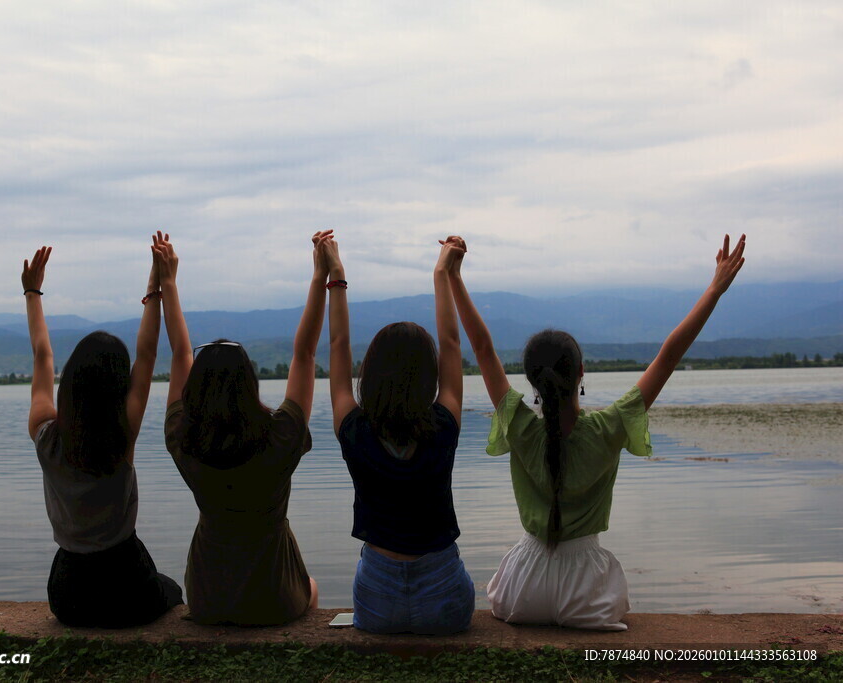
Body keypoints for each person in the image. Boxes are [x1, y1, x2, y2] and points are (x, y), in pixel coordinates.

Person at [445, 233, 747, 630]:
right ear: (582, 373)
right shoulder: (610, 427)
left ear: (532, 380)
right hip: (586, 594)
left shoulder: (520, 426)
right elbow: (669, 356)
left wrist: (453, 275)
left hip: (524, 591)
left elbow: (482, 349)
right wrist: (715, 289)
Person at [158, 231, 331, 626]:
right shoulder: (280, 438)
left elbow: (181, 353)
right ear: (250, 386)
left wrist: (168, 282)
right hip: (274, 598)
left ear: (195, 391)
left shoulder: (182, 439)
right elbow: (304, 355)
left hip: (206, 597)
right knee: (313, 587)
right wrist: (319, 275)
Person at [23, 235, 183, 628]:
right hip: (125, 582)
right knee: (173, 592)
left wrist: (32, 292)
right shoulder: (122, 434)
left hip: (68, 592)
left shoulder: (45, 434)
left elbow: (42, 355)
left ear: (72, 382)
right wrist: (156, 287)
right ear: (117, 389)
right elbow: (147, 355)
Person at [320, 234, 476, 635]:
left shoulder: (353, 430)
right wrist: (442, 273)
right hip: (446, 597)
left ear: (369, 376)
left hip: (377, 602)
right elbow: (452, 343)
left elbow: (338, 345)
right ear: (429, 377)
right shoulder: (444, 425)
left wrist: (334, 276)